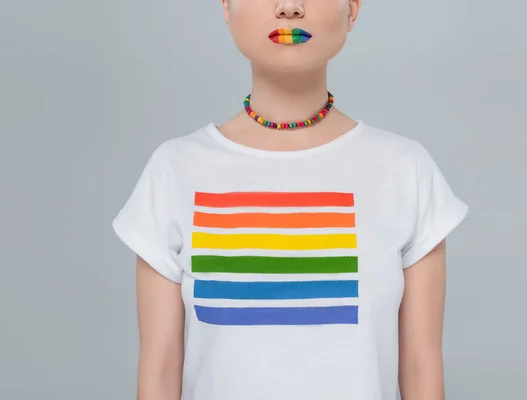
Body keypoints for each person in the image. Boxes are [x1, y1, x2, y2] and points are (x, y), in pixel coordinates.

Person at [111, 1, 469, 399]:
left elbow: (421, 366)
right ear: (227, 8)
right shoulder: (174, 169)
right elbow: (159, 369)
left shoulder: (406, 169)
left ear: (352, 10)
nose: (290, 7)